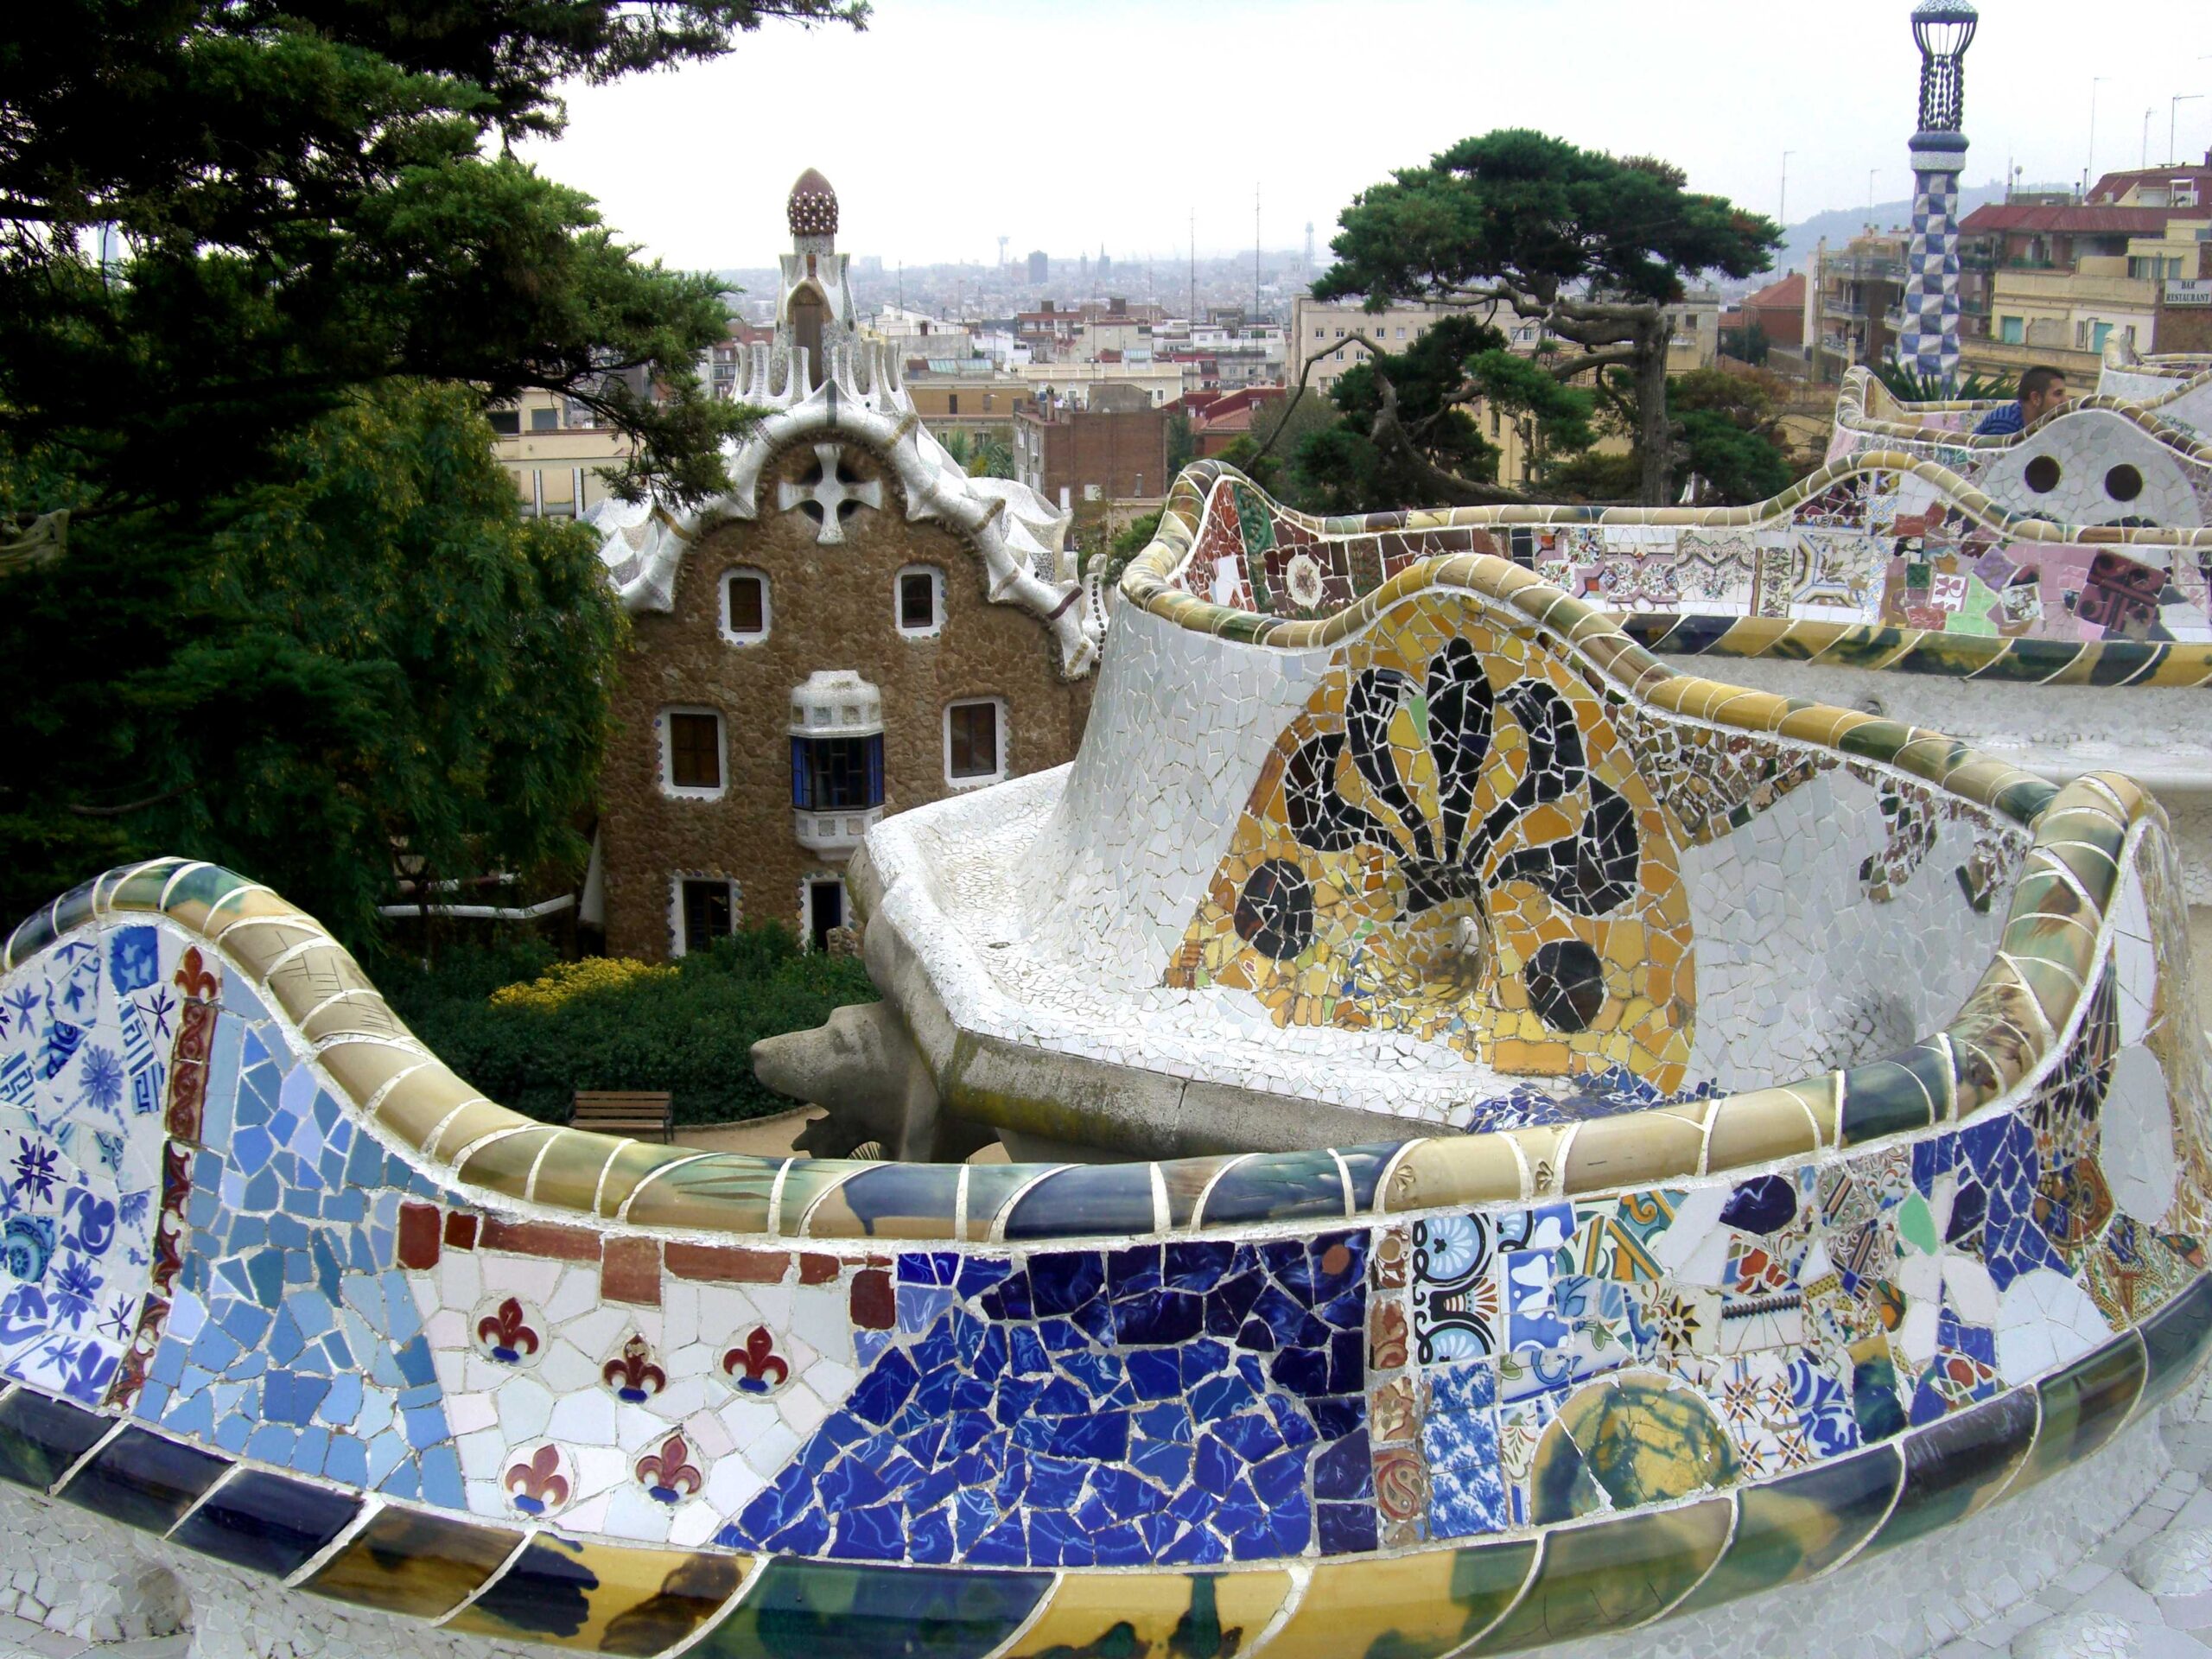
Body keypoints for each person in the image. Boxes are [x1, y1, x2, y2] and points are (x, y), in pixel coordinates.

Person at [1973, 366, 2068, 435]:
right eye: (2058, 394)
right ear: (2035, 398)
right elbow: (1997, 461)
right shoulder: (2005, 422)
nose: (2066, 400)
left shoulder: (2044, 424)